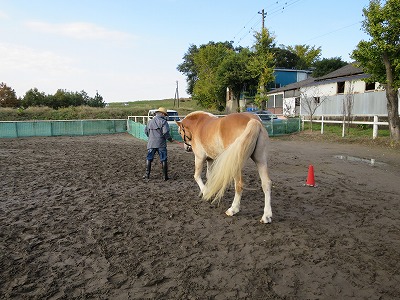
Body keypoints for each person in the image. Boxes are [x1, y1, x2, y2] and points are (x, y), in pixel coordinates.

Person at [143, 107, 173, 180]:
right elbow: (165, 132)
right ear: (162, 114)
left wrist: (151, 137)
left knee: (149, 158)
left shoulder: (150, 122)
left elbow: (146, 131)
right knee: (163, 159)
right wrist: (170, 139)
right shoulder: (164, 122)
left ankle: (147, 175)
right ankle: (165, 177)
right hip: (161, 143)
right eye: (165, 114)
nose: (165, 116)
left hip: (151, 143)